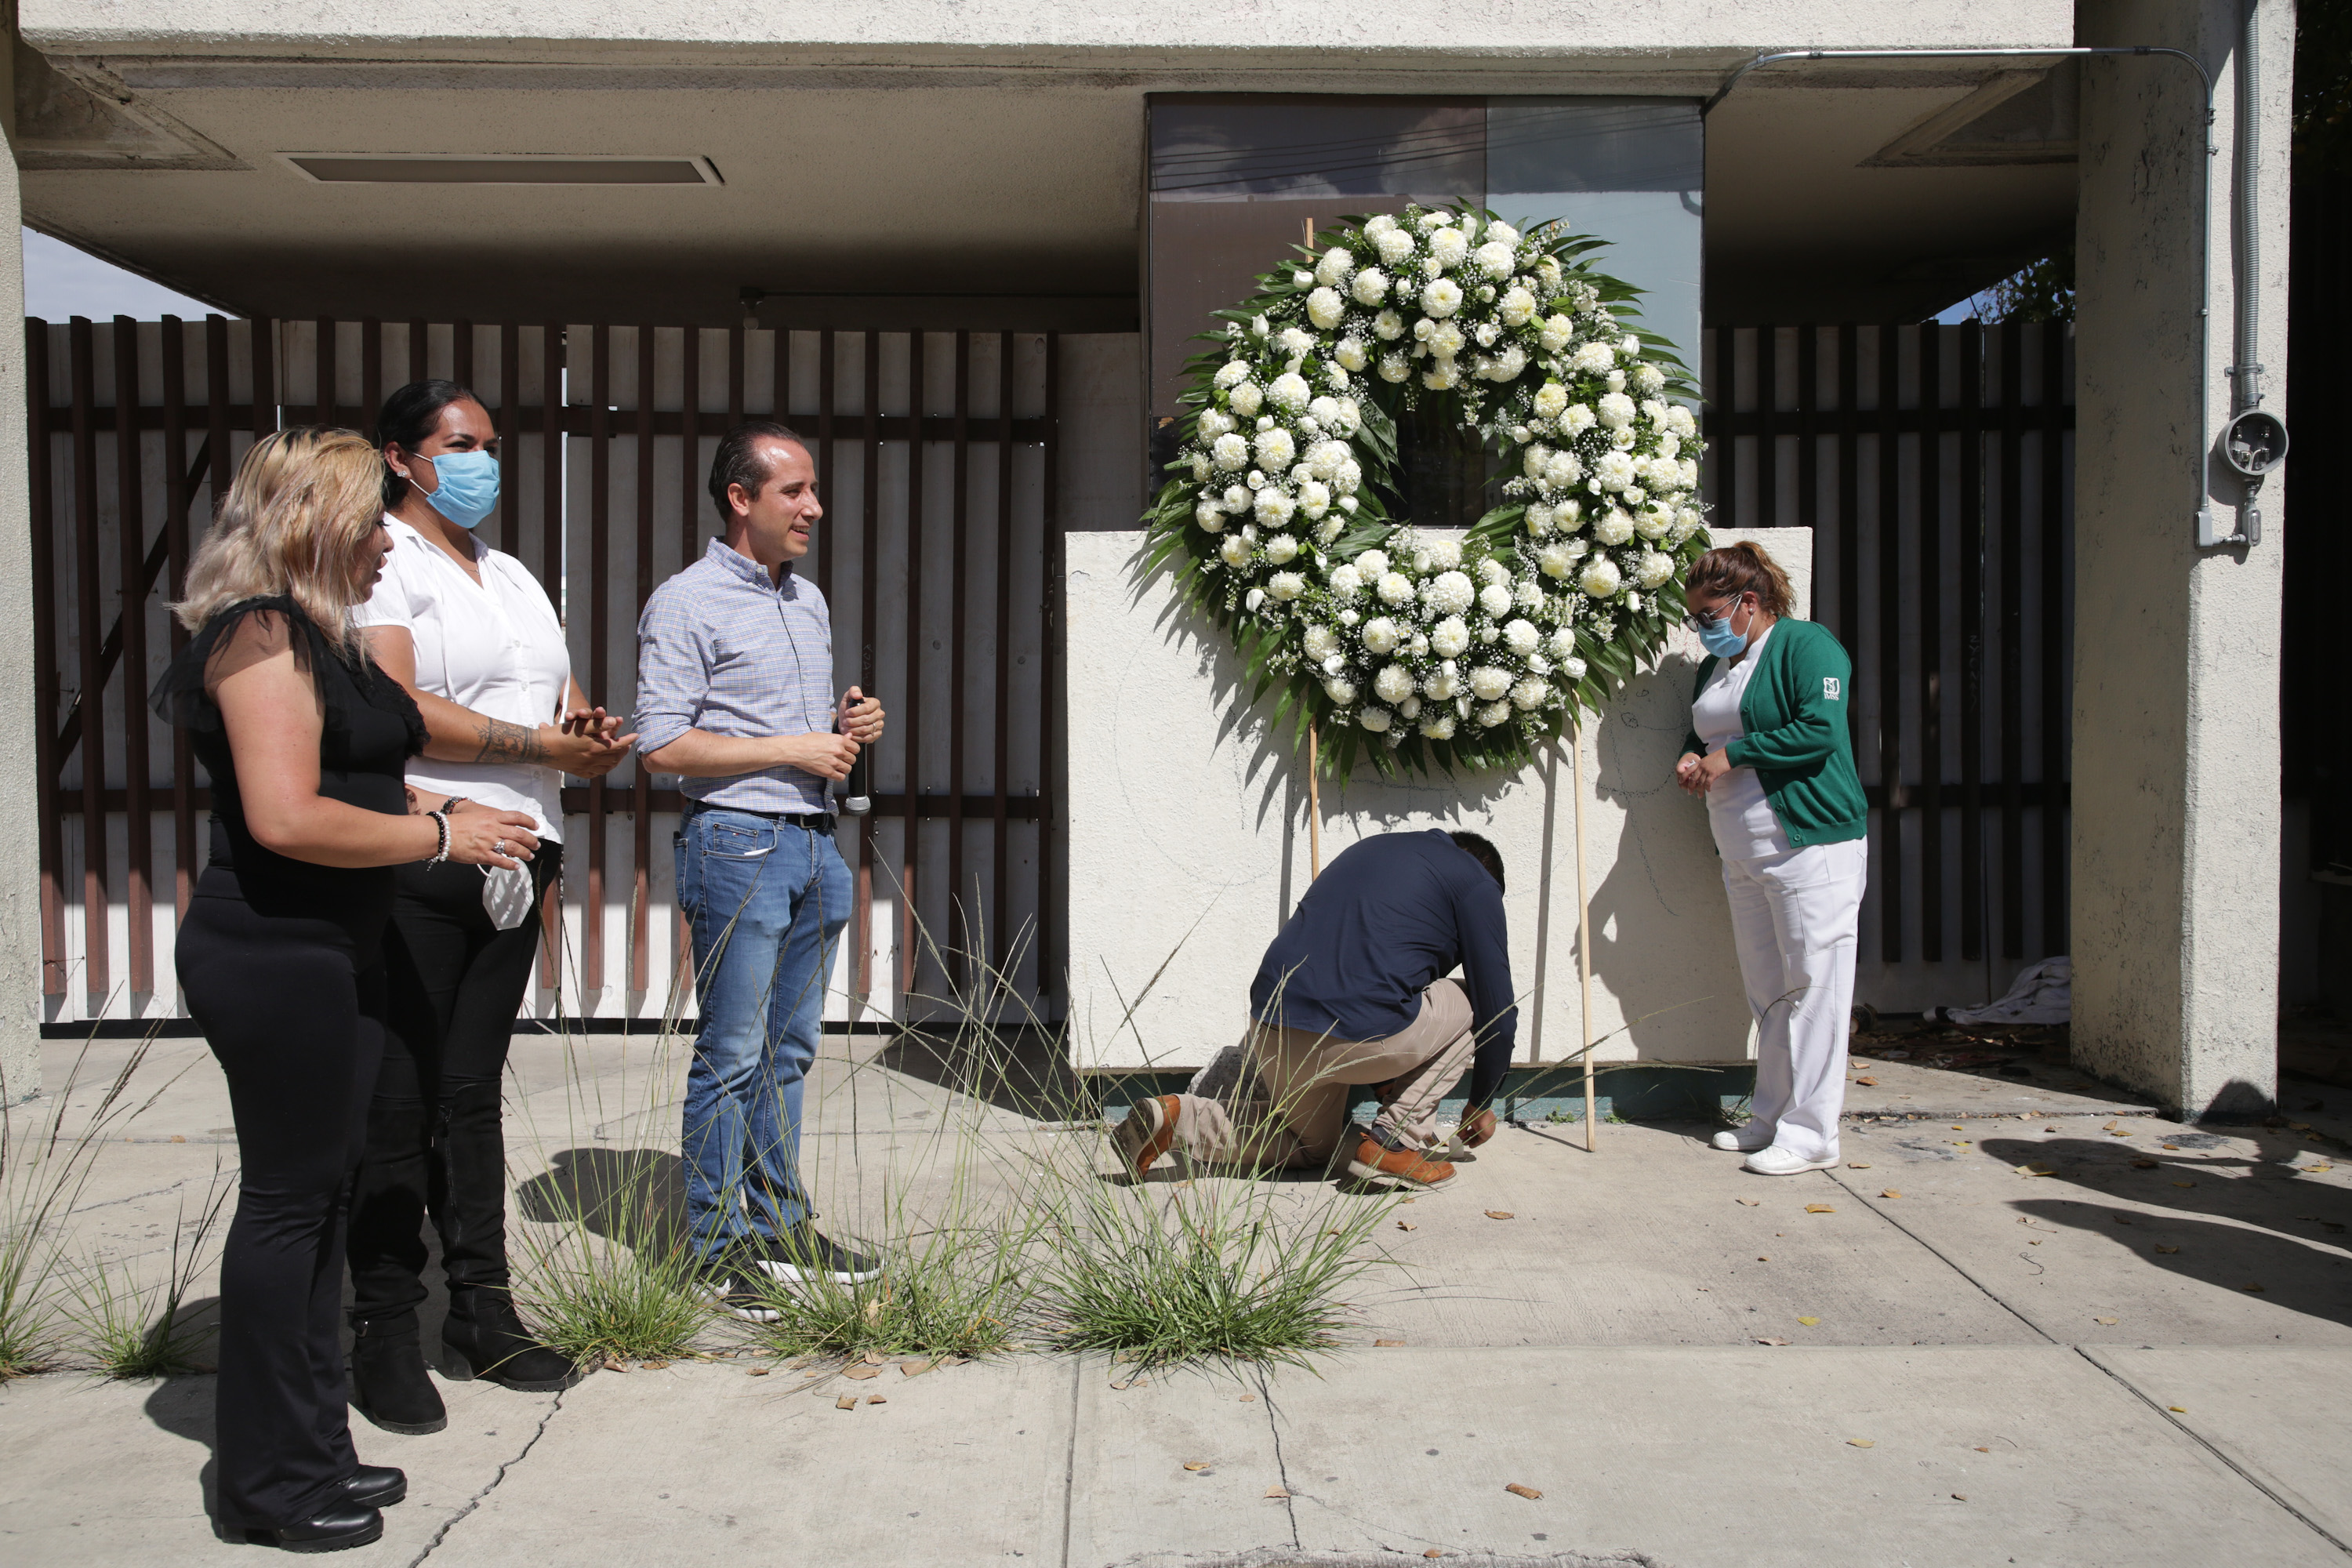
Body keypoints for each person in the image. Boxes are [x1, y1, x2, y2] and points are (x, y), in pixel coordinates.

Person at [154, 429, 539, 1551]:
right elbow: (285, 817)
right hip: (275, 953)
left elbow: (348, 770)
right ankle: (267, 1486)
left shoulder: (316, 639)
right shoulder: (259, 632)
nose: (387, 540)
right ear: (315, 522)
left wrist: (441, 809)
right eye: (373, 518)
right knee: (287, 1210)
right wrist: (438, 833)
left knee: (317, 1206)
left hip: (333, 951)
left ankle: (315, 1448)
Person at [343, 381, 635, 1436]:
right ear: (401, 456)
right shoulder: (383, 559)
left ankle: (482, 1310)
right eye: (459, 444)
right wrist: (539, 750)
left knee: (469, 1092)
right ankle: (382, 1327)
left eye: (490, 446)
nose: (481, 463)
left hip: (525, 852)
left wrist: (582, 736)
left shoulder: (509, 573)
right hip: (422, 848)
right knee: (396, 1097)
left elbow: (548, 705)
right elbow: (398, 707)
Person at [634, 419, 888, 1316]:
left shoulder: (806, 600)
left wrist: (849, 724)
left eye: (814, 489)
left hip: (813, 843)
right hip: (736, 842)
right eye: (794, 490)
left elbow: (803, 730)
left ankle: (779, 1226)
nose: (814, 506)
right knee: (733, 1052)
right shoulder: (686, 602)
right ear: (740, 499)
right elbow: (661, 746)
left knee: (790, 1050)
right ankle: (711, 1246)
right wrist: (797, 745)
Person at [1115, 829, 1518, 1191]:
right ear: (1487, 872)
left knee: (1311, 1149)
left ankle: (1176, 1118)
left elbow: (1370, 962)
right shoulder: (1477, 881)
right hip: (1360, 1036)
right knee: (1471, 1002)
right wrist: (1481, 1102)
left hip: (1271, 1024)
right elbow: (1498, 1008)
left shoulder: (1371, 849)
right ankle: (1396, 1140)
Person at [1672, 540, 1868, 1176]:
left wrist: (1731, 756)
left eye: (1708, 615)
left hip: (1810, 844)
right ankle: (1772, 1115)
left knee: (1815, 986)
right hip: (1743, 851)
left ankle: (1813, 1134)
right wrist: (1689, 755)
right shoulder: (1718, 668)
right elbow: (1705, 730)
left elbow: (1820, 728)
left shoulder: (1806, 646)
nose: (1701, 629)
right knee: (1769, 990)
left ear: (1747, 602)